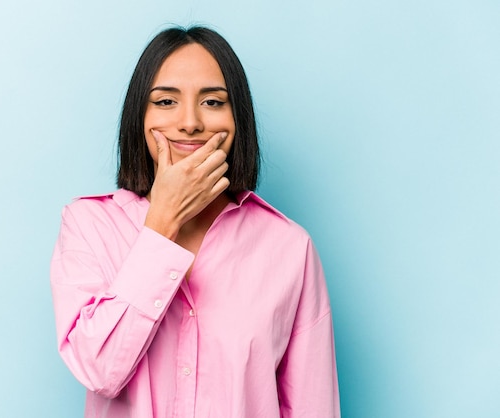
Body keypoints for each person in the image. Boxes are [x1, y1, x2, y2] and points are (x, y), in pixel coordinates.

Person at [50, 25, 340, 418]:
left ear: (237, 118)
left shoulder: (288, 247)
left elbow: (312, 406)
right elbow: (99, 369)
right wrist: (162, 224)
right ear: (140, 116)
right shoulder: (88, 225)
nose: (189, 123)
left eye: (213, 102)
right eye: (166, 101)